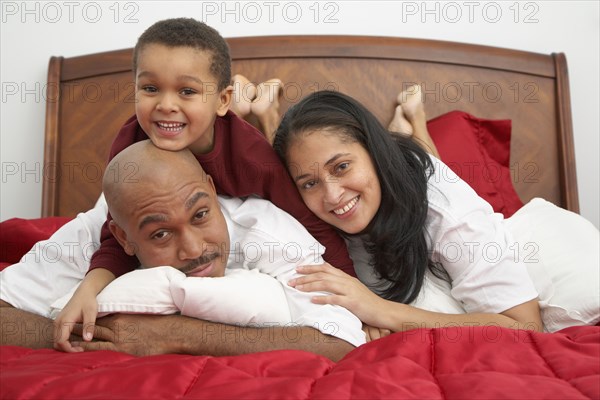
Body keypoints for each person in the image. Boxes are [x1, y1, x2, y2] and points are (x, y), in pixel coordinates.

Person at [55, 18, 357, 350]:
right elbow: (115, 233)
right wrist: (89, 290)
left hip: (240, 142)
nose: (166, 104)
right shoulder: (130, 147)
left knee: (279, 150)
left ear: (221, 100)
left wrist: (354, 294)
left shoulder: (251, 157)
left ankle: (261, 111)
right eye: (150, 88)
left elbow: (310, 221)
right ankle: (256, 105)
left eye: (187, 91)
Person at [0, 140, 364, 361]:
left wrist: (172, 334)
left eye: (201, 214)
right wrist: (94, 336)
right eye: (160, 234)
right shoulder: (91, 233)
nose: (194, 249)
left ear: (209, 189)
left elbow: (342, 341)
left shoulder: (266, 231)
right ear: (123, 237)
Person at [272, 90, 543, 338]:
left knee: (429, 171)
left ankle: (415, 121)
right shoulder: (302, 208)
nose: (332, 195)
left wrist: (379, 310)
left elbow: (525, 327)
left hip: (416, 187)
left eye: (341, 167)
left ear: (374, 151)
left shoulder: (449, 212)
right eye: (310, 183)